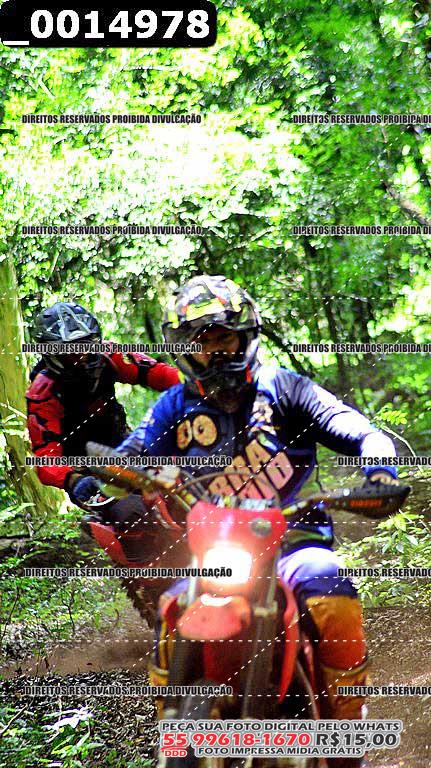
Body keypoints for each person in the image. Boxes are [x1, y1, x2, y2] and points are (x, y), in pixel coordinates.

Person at [115, 275, 400, 767]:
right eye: (200, 342)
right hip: (216, 550)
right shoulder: (173, 406)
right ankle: (173, 739)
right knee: (172, 609)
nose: (213, 351)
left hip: (294, 540)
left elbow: (360, 431)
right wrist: (110, 473)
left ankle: (347, 732)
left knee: (329, 591)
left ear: (244, 337)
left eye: (223, 338)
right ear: (183, 349)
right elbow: (130, 454)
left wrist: (379, 471)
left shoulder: (285, 388)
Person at [26, 301, 180, 508]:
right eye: (71, 352)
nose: (82, 356)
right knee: (129, 512)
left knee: (174, 482)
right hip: (84, 468)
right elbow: (45, 455)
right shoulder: (43, 392)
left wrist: (198, 387)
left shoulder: (109, 356)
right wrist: (73, 480)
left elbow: (160, 374)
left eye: (86, 346)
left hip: (123, 444)